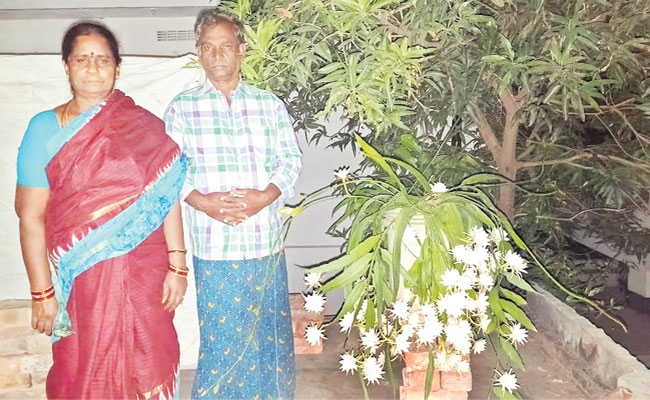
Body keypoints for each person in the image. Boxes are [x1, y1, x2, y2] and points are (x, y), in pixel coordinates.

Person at [15, 21, 188, 399]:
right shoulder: (43, 128)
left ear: (117, 68)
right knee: (83, 367)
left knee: (147, 360)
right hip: (83, 282)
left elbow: (165, 196)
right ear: (67, 66)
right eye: (82, 59)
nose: (93, 68)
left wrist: (177, 265)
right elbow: (30, 216)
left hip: (145, 273)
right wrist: (42, 293)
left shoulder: (144, 126)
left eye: (103, 59)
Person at [164, 9, 302, 400]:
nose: (217, 55)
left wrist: (266, 196)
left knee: (269, 342)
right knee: (223, 346)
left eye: (226, 46)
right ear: (199, 52)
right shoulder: (182, 108)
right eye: (208, 47)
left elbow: (290, 160)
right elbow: (169, 170)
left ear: (241, 50)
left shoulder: (269, 105)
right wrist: (201, 202)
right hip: (215, 248)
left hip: (264, 244)